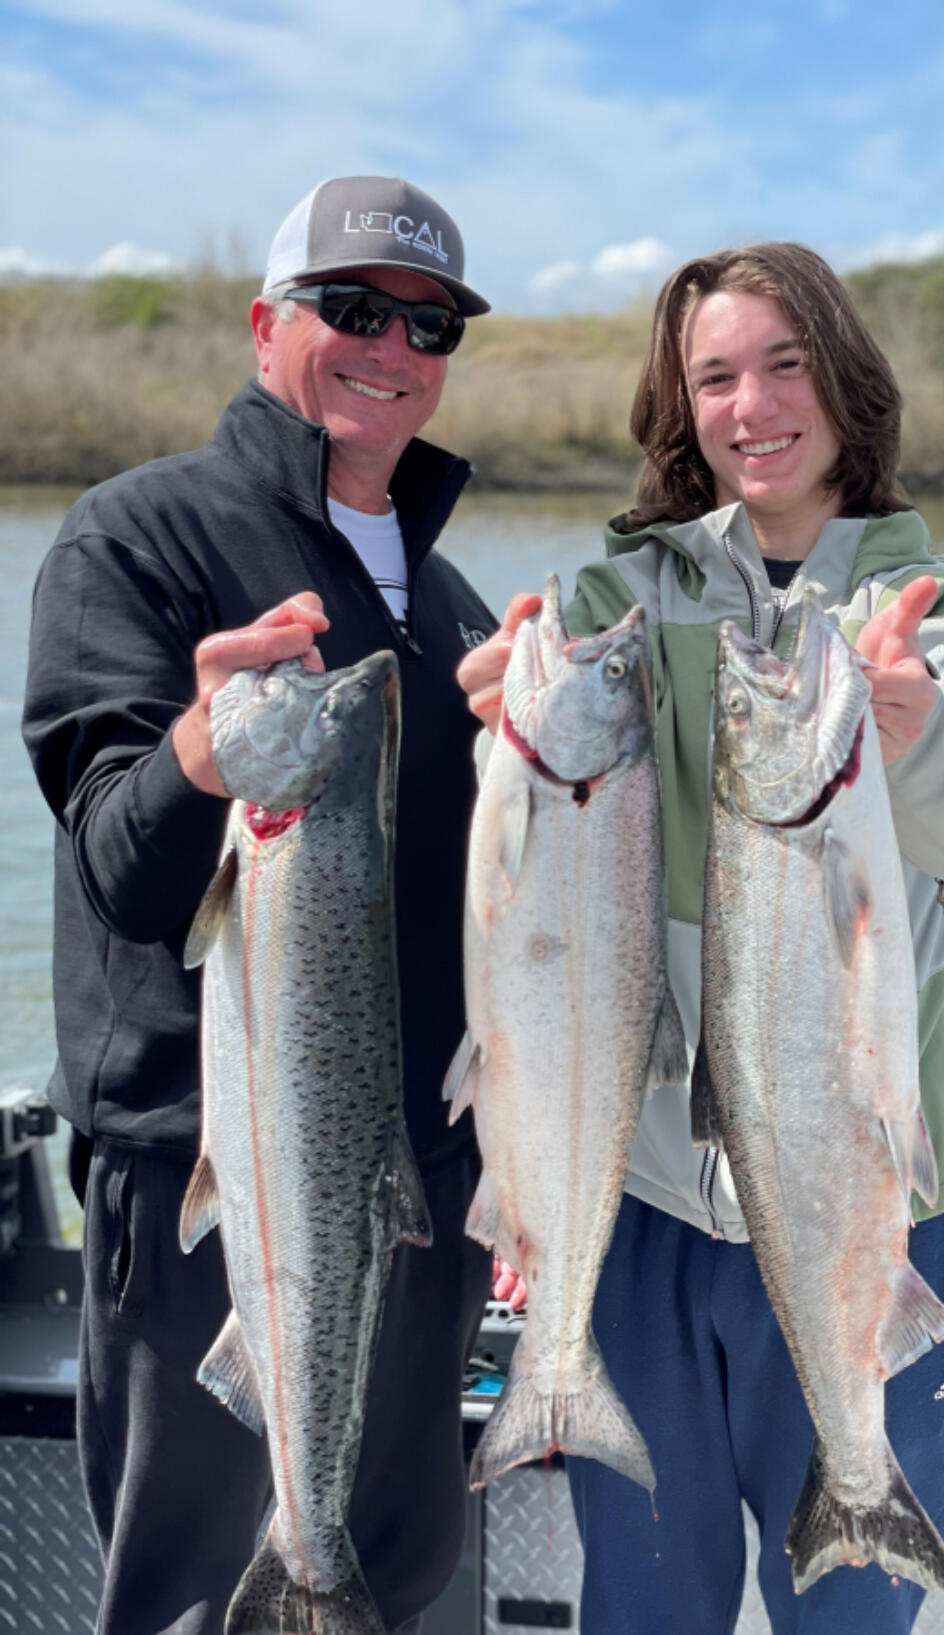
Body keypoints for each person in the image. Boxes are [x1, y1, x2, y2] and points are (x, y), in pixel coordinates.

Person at [458, 241, 944, 1634]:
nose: (751, 403)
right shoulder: (611, 606)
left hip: (875, 1209)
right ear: (682, 411)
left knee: (848, 1620)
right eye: (714, 376)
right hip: (643, 1209)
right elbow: (523, 911)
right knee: (644, 1615)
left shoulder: (934, 610)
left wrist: (916, 733)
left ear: (844, 385)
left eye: (784, 364)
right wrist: (500, 747)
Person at [23, 175, 498, 1635]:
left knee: (393, 1582)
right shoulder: (138, 537)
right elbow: (114, 858)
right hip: (205, 1186)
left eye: (429, 324)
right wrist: (197, 749)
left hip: (419, 1190)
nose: (392, 345)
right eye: (350, 308)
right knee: (191, 1598)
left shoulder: (453, 598)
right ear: (264, 326)